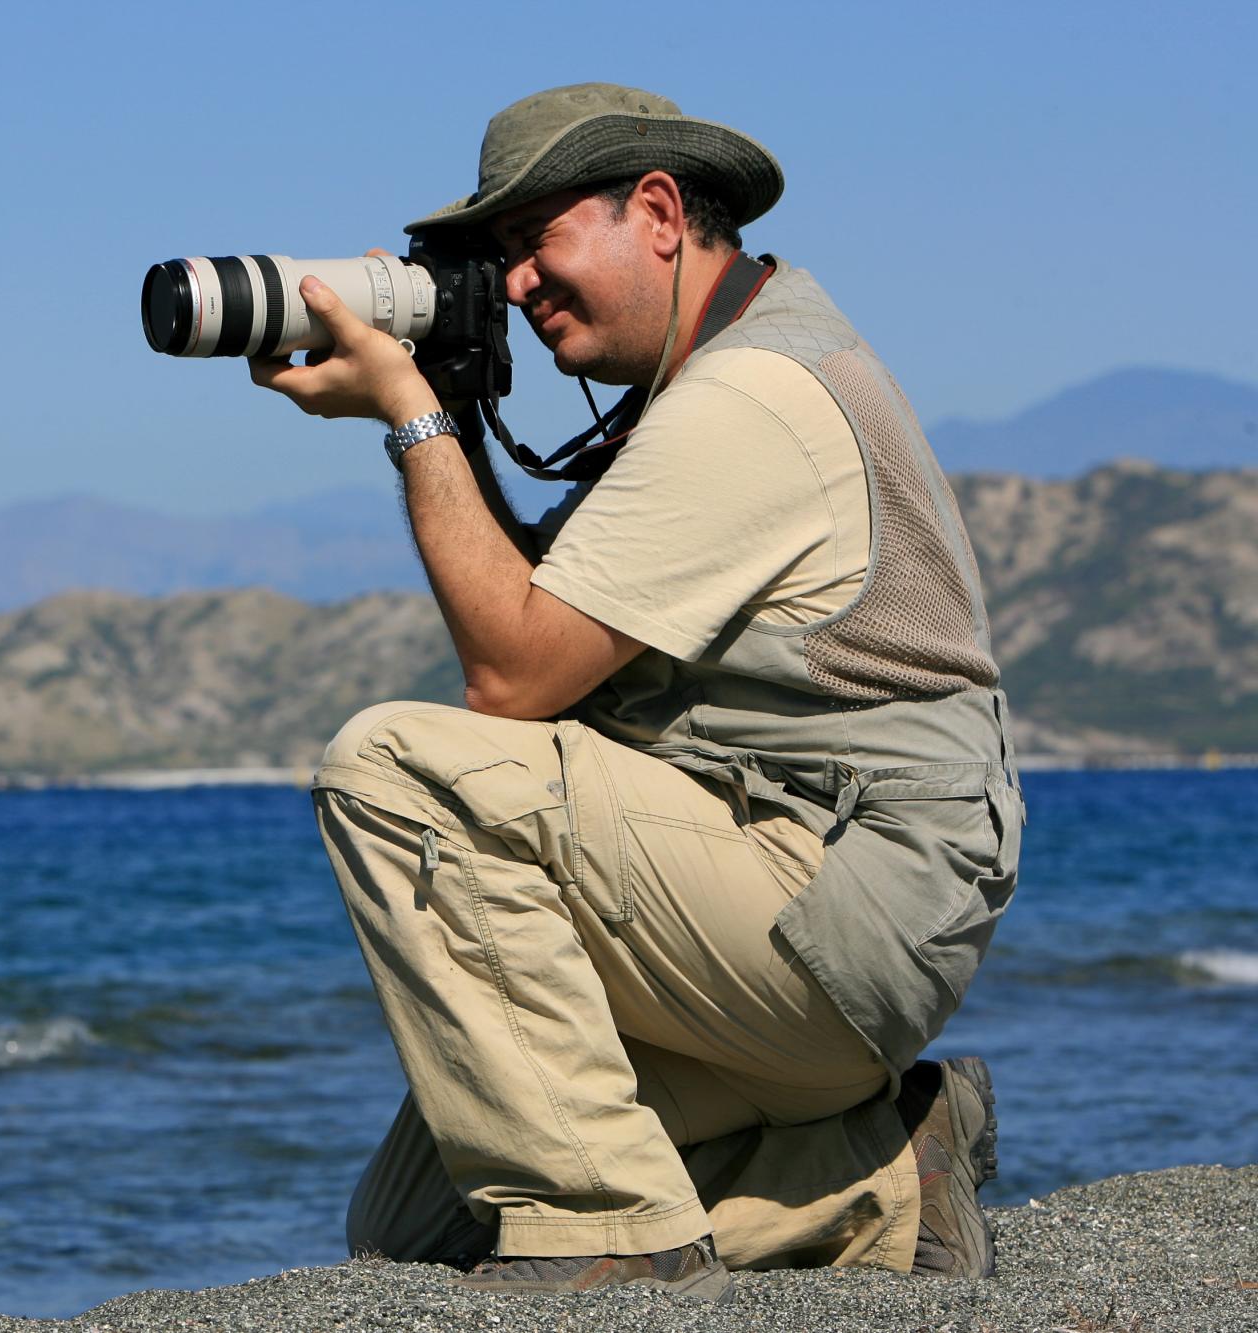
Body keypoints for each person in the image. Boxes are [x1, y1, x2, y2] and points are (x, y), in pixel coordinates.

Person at [247, 83, 1022, 1301]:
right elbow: (545, 631)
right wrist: (443, 401)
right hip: (780, 896)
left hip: (837, 906)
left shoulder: (746, 397)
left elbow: (511, 679)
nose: (512, 285)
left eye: (532, 244)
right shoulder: (711, 377)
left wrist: (406, 415)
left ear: (655, 211)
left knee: (391, 764)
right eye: (499, 259)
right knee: (412, 1228)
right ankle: (879, 1175)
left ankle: (608, 1231)